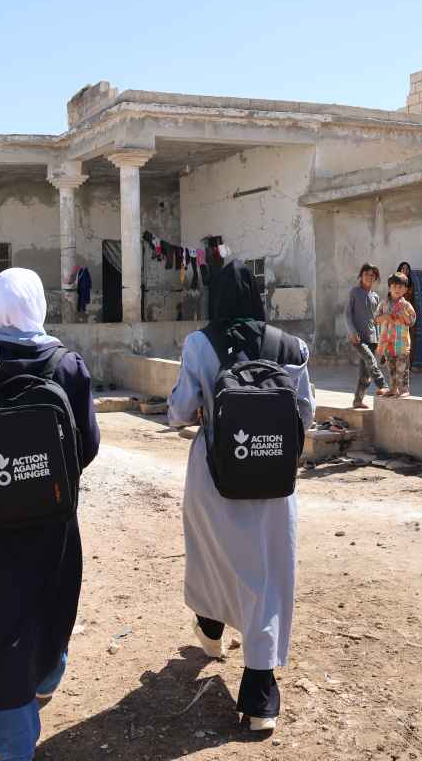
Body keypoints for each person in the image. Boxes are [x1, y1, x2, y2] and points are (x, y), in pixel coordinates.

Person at [0, 268, 100, 761]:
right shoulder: (68, 365)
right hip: (55, 516)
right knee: (51, 605)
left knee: (2, 619)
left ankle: (16, 730)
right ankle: (44, 681)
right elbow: (86, 448)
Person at [167, 260, 315, 733]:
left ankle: (211, 630)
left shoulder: (199, 344)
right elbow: (306, 416)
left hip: (215, 474)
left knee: (213, 555)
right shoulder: (291, 346)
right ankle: (260, 697)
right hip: (274, 479)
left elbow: (178, 412)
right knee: (267, 576)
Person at [347, 263, 387, 407]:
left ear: (375, 278)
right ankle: (383, 385)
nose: (369, 277)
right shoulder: (354, 292)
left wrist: (381, 342)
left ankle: (358, 401)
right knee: (370, 360)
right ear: (361, 275)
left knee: (365, 375)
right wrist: (352, 331)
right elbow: (348, 314)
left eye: (372, 275)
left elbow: (376, 321)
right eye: (366, 274)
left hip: (373, 338)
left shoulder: (375, 297)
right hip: (357, 338)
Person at [374, 272, 417, 398]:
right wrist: (384, 317)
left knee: (402, 367)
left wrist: (404, 313)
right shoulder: (383, 303)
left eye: (401, 287)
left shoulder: (406, 305)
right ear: (389, 287)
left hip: (401, 342)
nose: (398, 289)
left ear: (405, 289)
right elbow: (375, 319)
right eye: (395, 286)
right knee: (391, 366)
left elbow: (411, 322)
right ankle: (393, 389)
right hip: (387, 341)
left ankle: (404, 389)